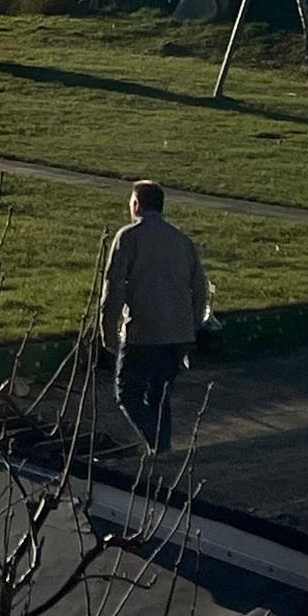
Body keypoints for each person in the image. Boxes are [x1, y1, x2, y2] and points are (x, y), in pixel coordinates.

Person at [95, 180, 210, 453]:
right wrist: (192, 327)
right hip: (178, 334)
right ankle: (161, 450)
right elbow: (200, 289)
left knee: (127, 394)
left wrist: (108, 335)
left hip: (143, 332)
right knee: (159, 396)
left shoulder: (128, 238)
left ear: (136, 205)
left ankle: (158, 446)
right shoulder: (181, 240)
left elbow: (113, 291)